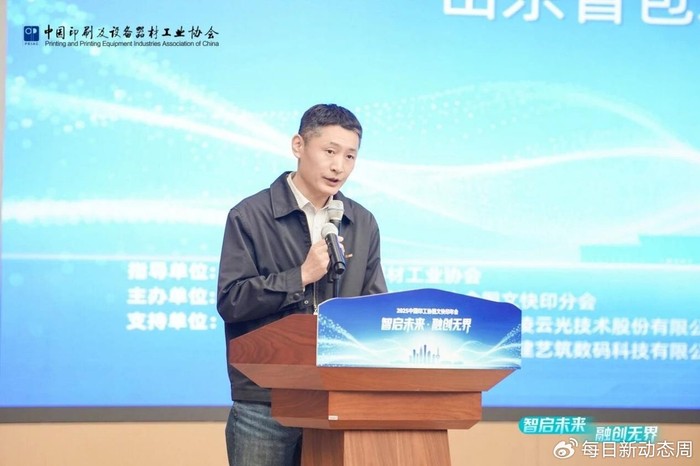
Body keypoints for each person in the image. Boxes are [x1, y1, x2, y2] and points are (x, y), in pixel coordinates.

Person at [216, 103, 388, 466]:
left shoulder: (361, 222)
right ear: (298, 145)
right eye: (330, 151)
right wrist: (301, 276)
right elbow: (231, 301)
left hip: (337, 398)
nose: (339, 166)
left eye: (350, 156)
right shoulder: (250, 215)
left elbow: (374, 308)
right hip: (265, 402)